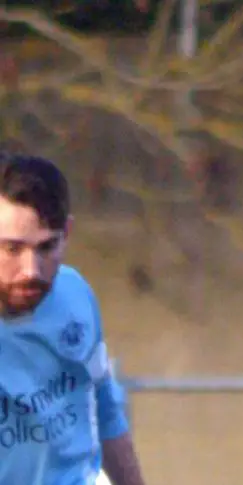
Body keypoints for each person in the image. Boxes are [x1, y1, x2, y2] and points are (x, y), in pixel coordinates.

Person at [0, 152, 146, 485]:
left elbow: (106, 412)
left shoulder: (73, 295)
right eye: (12, 249)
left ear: (67, 232)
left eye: (46, 247)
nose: (31, 271)